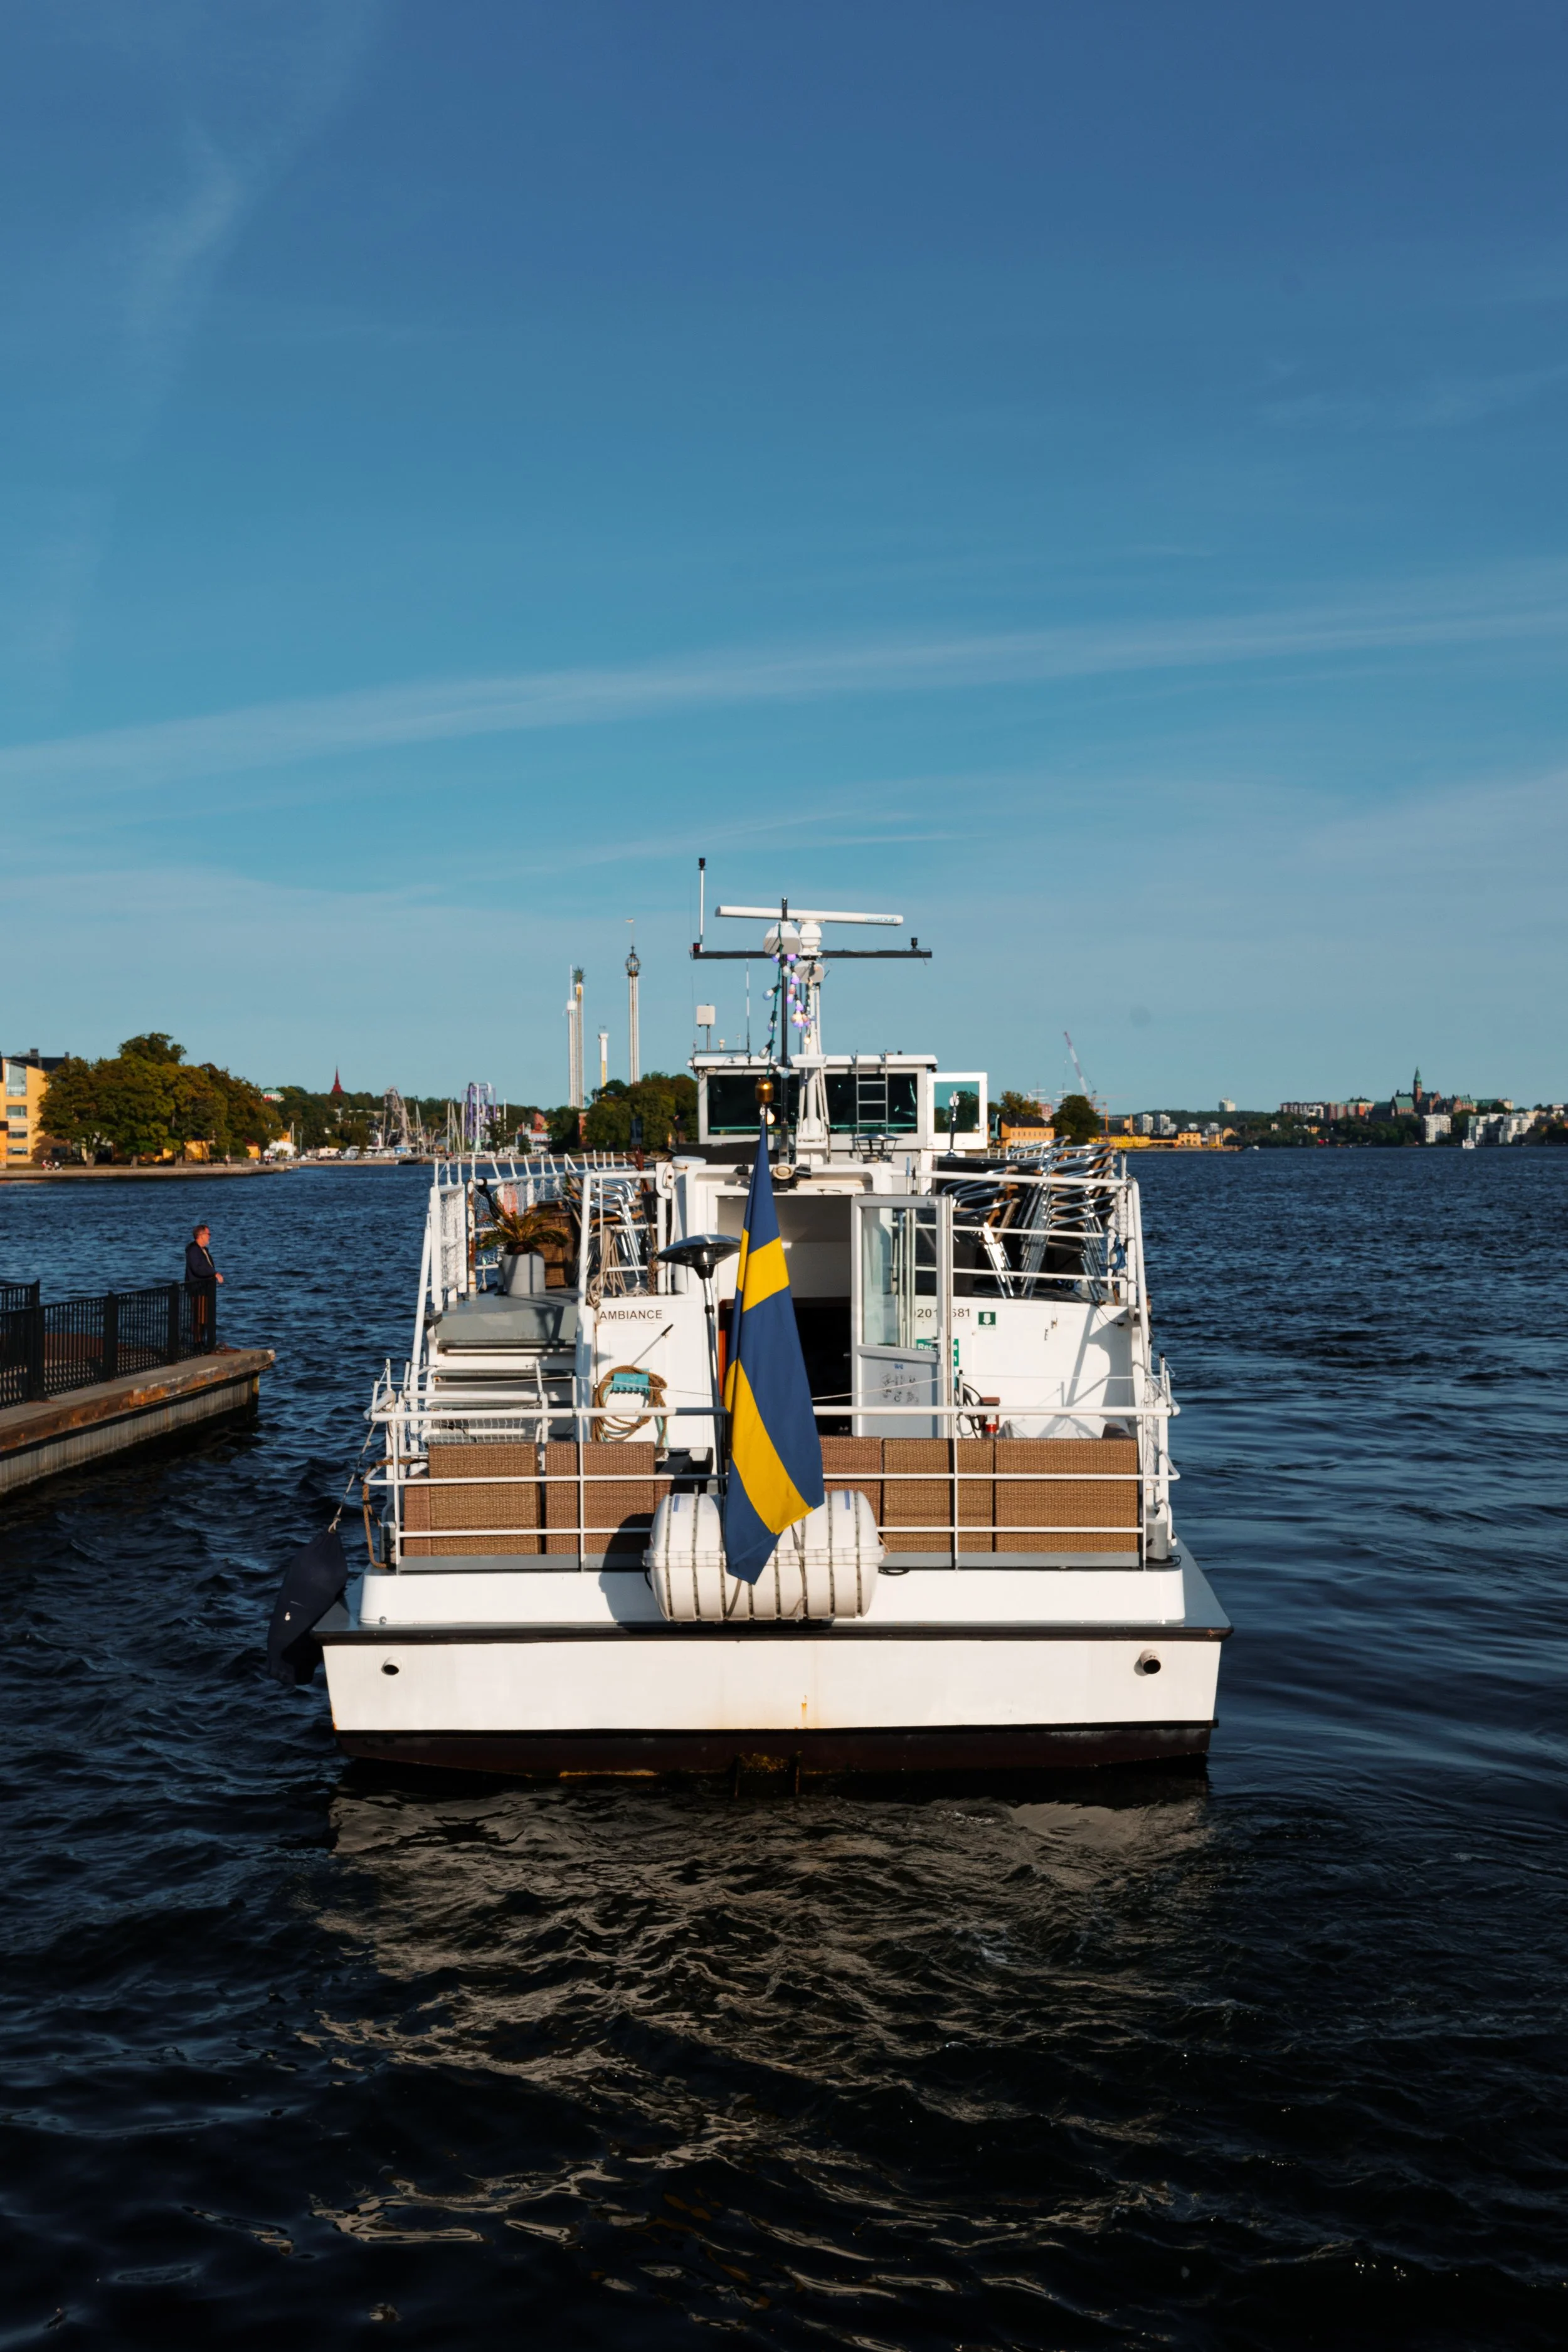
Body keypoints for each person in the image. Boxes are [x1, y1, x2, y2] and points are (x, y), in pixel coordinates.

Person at [184, 1222, 223, 1350]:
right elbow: (198, 1269)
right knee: (199, 1317)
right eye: (208, 1234)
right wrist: (214, 1273)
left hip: (205, 1289)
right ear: (201, 1235)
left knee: (204, 1317)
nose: (210, 1237)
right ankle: (197, 1343)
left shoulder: (204, 1250)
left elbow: (206, 1266)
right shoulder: (194, 1250)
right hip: (197, 1289)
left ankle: (202, 1341)